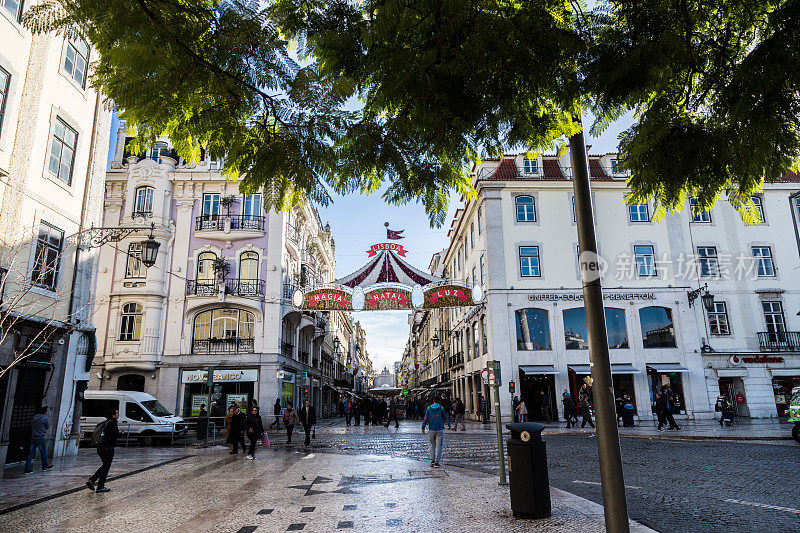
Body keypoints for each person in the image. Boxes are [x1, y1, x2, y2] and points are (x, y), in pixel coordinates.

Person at [87, 408, 119, 493]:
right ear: (113, 415)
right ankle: (100, 486)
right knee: (106, 466)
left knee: (105, 465)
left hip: (101, 447)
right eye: (116, 413)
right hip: (107, 448)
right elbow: (114, 435)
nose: (118, 414)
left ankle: (92, 480)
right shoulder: (112, 423)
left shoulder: (106, 423)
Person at [421, 398, 449, 468]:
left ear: (433, 401)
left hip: (431, 429)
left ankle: (432, 461)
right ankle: (437, 462)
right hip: (440, 429)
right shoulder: (441, 408)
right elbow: (445, 417)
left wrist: (423, 427)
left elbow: (425, 418)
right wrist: (447, 423)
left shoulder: (429, 408)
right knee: (439, 446)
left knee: (432, 445)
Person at [25, 406, 52, 473]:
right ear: (44, 411)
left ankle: (27, 468)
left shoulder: (34, 417)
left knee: (30, 453)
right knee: (43, 452)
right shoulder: (44, 418)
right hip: (40, 437)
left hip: (34, 437)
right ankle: (45, 466)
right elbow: (47, 427)